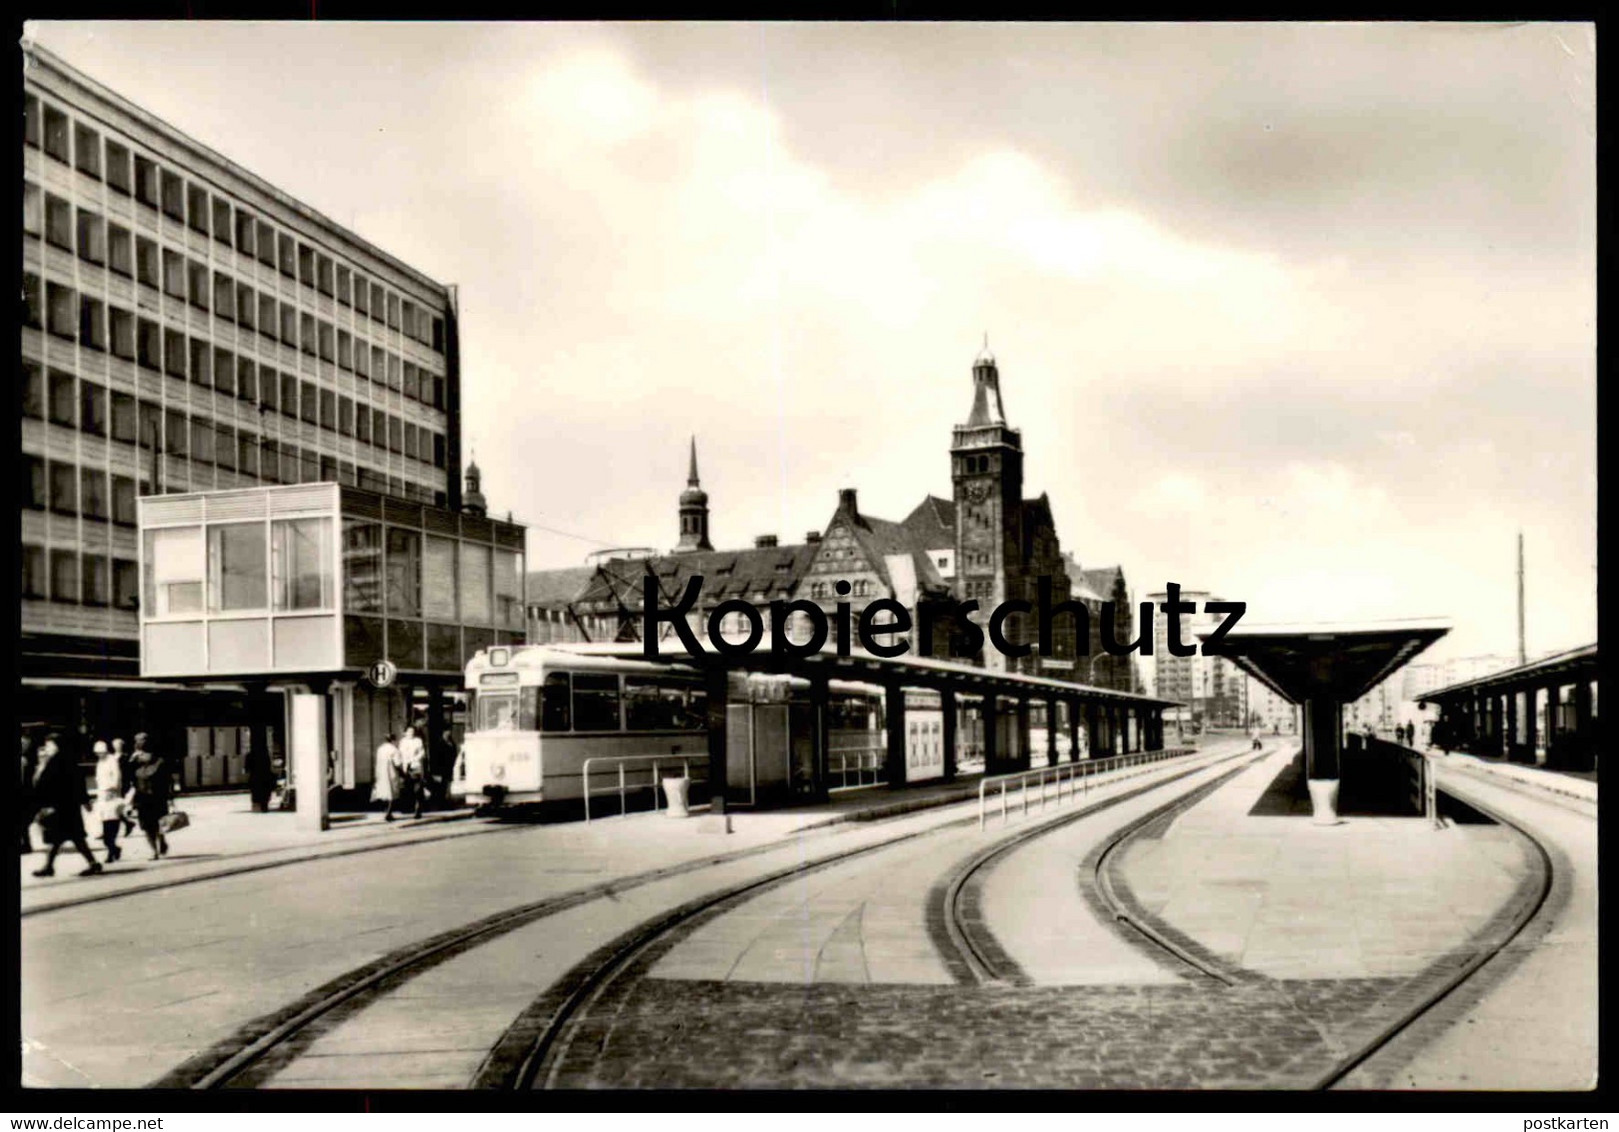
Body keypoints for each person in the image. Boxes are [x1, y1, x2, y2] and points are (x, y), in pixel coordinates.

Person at [30, 734, 102, 878]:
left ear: (57, 745)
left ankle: (51, 866)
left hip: (60, 807)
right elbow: (78, 782)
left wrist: (41, 804)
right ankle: (91, 863)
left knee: (64, 837)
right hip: (67, 807)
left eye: (50, 745)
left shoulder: (58, 762)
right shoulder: (62, 760)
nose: (47, 748)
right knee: (70, 837)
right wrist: (84, 800)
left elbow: (48, 785)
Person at [127, 737, 174, 860]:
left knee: (157, 825)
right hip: (142, 798)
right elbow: (127, 778)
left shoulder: (159, 762)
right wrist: (131, 761)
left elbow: (167, 781)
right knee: (147, 826)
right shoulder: (134, 764)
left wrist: (170, 799)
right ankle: (155, 850)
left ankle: (160, 843)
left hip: (157, 797)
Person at [91, 741, 125, 863]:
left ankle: (111, 852)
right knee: (105, 824)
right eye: (97, 753)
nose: (99, 755)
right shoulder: (100, 763)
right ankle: (114, 849)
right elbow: (99, 779)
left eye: (101, 752)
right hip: (102, 796)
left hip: (112, 795)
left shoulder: (112, 761)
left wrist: (113, 789)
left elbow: (116, 777)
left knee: (112, 823)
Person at [398, 725, 428, 819]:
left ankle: (418, 809)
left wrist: (414, 759)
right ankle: (407, 808)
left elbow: (422, 753)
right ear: (405, 732)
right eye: (409, 731)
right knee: (407, 788)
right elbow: (400, 753)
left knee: (418, 789)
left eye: (413, 731)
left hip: (416, 766)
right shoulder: (402, 741)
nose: (411, 733)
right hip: (406, 767)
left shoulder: (418, 741)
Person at [372, 733, 403, 821]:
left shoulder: (380, 749)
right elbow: (397, 764)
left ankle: (386, 811)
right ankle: (389, 813)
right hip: (391, 772)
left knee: (385, 792)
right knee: (392, 793)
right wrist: (402, 773)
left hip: (381, 773)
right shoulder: (394, 750)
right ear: (393, 740)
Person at [20, 734, 37, 854]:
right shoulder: (26, 760)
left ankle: (26, 844)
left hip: (25, 793)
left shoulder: (26, 760)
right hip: (25, 793)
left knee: (23, 820)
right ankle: (26, 843)